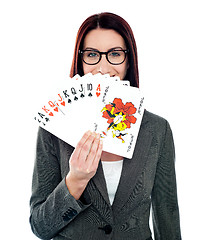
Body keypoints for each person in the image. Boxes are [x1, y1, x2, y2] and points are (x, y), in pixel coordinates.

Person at [29, 12, 182, 240]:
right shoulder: (54, 129)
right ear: (80, 60)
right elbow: (40, 227)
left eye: (115, 54)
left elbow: (167, 216)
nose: (103, 67)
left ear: (129, 59)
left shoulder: (157, 130)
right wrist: (76, 180)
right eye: (92, 54)